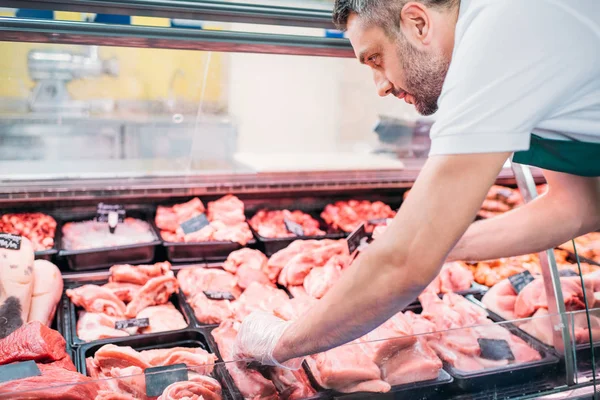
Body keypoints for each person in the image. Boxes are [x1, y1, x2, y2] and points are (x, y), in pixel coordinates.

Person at [234, 0, 600, 368]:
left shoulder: (498, 34)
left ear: (417, 23)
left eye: (376, 58)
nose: (380, 86)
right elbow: (578, 207)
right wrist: (445, 245)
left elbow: (405, 261)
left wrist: (280, 343)